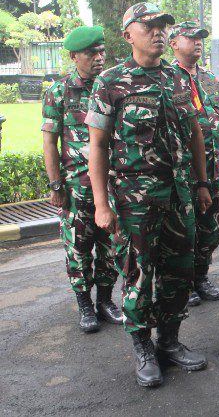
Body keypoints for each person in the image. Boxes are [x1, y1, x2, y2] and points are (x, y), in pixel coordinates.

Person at [86, 2, 212, 387]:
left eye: (163, 26)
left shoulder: (179, 78)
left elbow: (195, 132)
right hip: (134, 201)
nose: (159, 32)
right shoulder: (110, 82)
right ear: (128, 35)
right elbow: (97, 146)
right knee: (139, 274)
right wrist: (101, 205)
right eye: (149, 26)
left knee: (179, 271)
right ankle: (143, 347)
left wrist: (202, 184)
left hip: (179, 195)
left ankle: (169, 341)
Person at [41, 25, 122, 332]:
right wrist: (56, 185)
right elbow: (50, 142)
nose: (99, 58)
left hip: (112, 185)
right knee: (78, 248)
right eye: (91, 53)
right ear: (74, 56)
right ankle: (85, 304)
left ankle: (106, 300)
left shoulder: (113, 87)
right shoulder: (59, 91)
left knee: (110, 246)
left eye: (101, 52)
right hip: (76, 187)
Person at [169, 21, 219, 306]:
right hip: (184, 172)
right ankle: (185, 282)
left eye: (201, 38)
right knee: (184, 230)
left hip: (213, 168)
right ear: (173, 43)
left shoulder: (210, 79)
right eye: (191, 38)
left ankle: (201, 277)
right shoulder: (168, 79)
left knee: (210, 228)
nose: (198, 43)